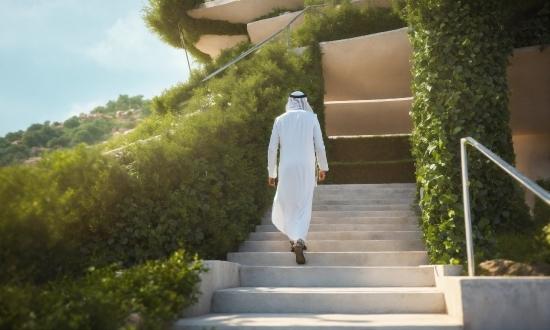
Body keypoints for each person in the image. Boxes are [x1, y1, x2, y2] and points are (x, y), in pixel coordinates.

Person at [267, 91, 329, 264]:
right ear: (304, 102)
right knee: (304, 202)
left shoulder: (280, 119)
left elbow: (272, 148)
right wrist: (322, 166)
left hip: (286, 166)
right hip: (306, 166)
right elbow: (320, 145)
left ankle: (294, 239)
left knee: (288, 201)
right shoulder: (312, 118)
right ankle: (299, 240)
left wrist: (272, 172)